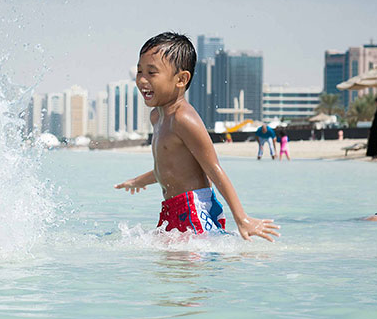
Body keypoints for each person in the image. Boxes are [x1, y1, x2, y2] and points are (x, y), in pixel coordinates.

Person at [114, 32, 279, 241]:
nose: (142, 80)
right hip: (171, 209)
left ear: (181, 79)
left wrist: (241, 217)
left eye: (151, 73)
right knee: (169, 269)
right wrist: (138, 181)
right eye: (139, 71)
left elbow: (213, 168)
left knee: (191, 266)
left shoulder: (183, 118)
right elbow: (170, 170)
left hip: (194, 208)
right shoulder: (158, 117)